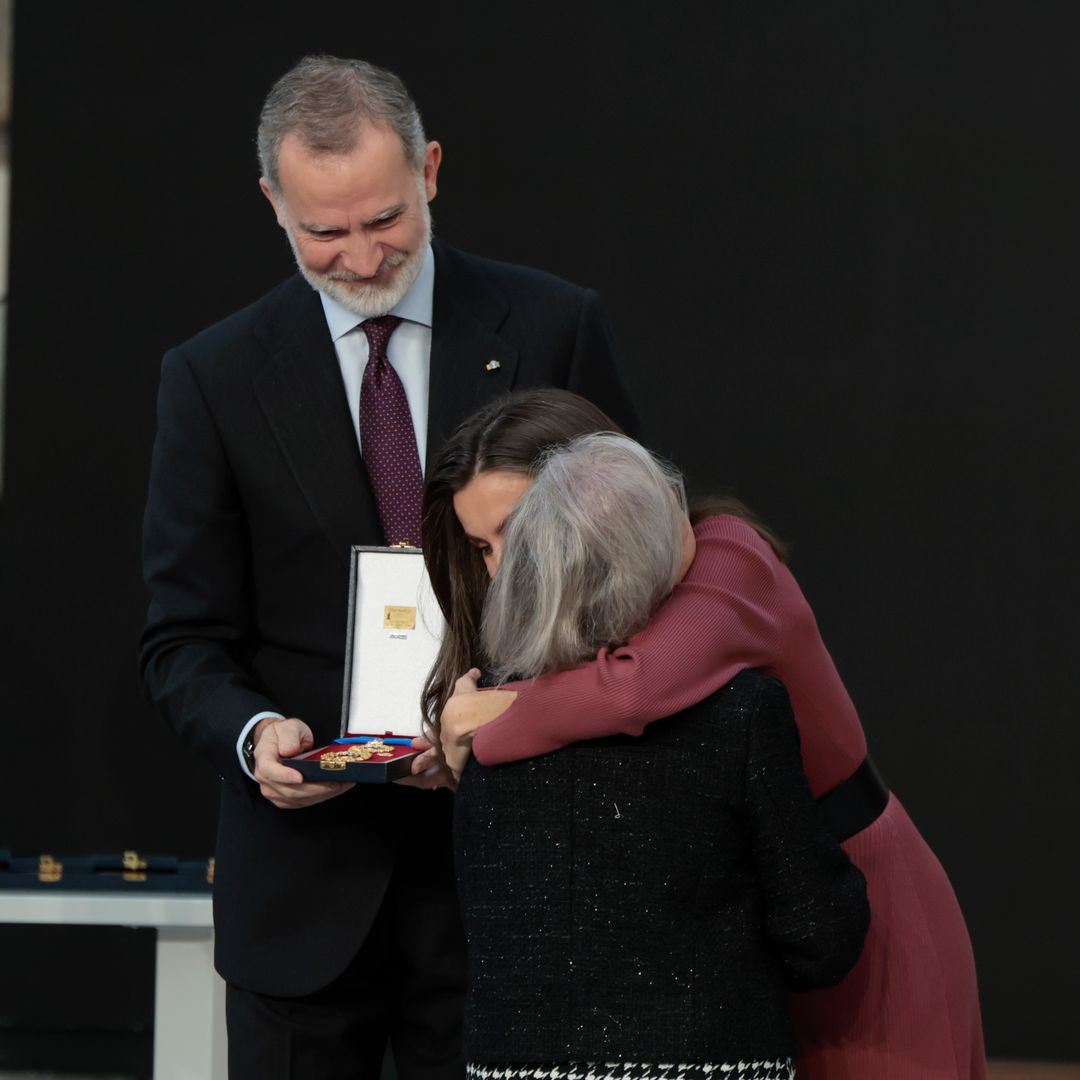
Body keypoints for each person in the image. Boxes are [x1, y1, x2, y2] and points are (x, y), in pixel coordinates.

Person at [139, 56, 637, 1079]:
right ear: (274, 203)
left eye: (384, 219)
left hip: (510, 871)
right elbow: (184, 637)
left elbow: (633, 588)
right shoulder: (212, 376)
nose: (362, 258)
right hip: (304, 898)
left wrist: (514, 708)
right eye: (325, 231)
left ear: (432, 172)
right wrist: (253, 737)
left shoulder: (552, 327)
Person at [420, 389, 987, 1080]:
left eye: (516, 528)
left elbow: (632, 690)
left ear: (597, 480)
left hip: (853, 898)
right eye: (482, 546)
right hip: (732, 954)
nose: (503, 570)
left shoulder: (724, 557)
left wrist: (489, 729)